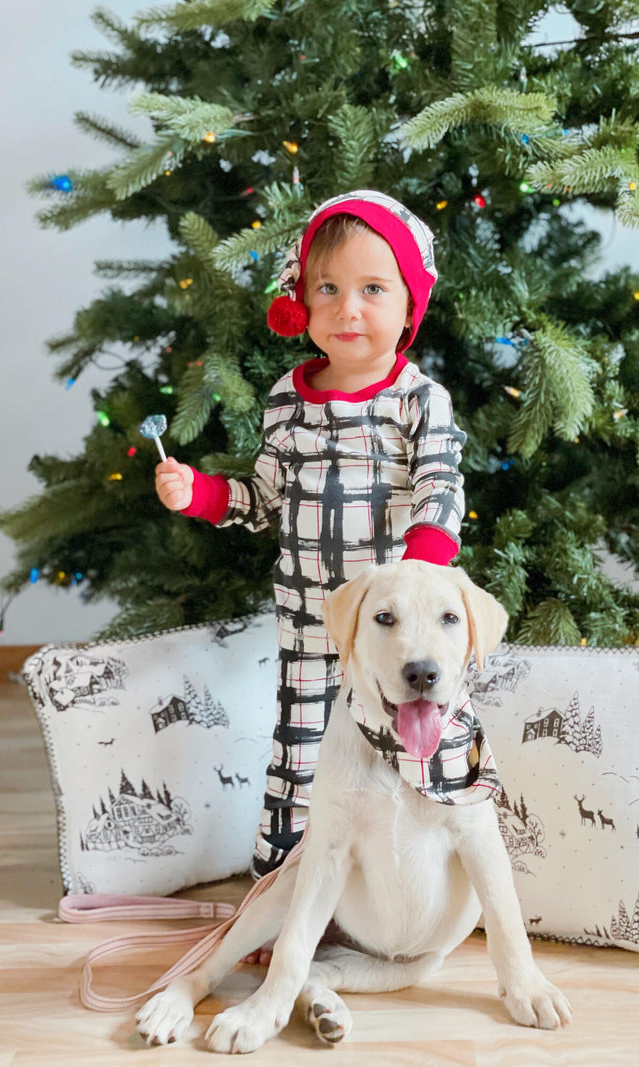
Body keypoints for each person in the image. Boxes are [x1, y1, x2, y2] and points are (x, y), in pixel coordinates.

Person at [155, 190, 466, 879]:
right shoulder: (285, 400)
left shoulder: (419, 400)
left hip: (394, 625)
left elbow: (441, 489)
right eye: (327, 288)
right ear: (300, 301)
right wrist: (201, 493)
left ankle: (411, 885)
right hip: (308, 619)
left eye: (372, 289)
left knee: (413, 746)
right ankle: (281, 892)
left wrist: (415, 574)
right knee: (299, 752)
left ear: (409, 305)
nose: (347, 308)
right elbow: (263, 501)